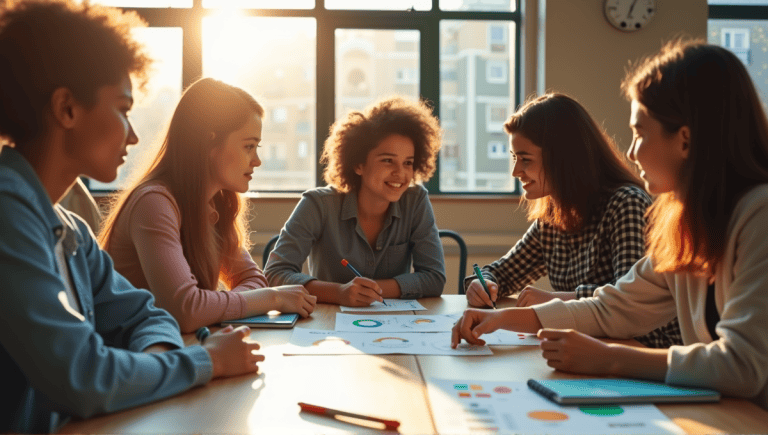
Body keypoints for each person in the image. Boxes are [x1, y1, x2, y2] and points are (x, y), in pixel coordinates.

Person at [452, 39, 768, 410]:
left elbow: (742, 366)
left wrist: (609, 358)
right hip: (727, 411)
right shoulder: (685, 221)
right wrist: (502, 318)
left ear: (684, 139)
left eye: (639, 133)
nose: (632, 152)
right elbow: (614, 306)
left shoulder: (758, 214)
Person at [0, 2, 262, 432]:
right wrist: (204, 360)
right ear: (67, 109)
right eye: (123, 109)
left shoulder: (72, 231)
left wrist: (158, 362)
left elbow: (147, 315)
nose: (134, 134)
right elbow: (82, 378)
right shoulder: (8, 215)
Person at [98, 77, 317, 333]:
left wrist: (218, 304)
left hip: (174, 348)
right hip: (133, 359)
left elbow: (254, 279)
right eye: (248, 146)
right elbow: (186, 309)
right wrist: (274, 298)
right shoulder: (154, 203)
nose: (257, 160)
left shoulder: (216, 205)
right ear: (209, 143)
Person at [464, 93, 680, 348]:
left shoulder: (625, 204)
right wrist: (483, 282)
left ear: (562, 158)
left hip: (647, 350)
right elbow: (502, 272)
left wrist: (556, 300)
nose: (515, 171)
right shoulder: (553, 217)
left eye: (525, 159)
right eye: (514, 158)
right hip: (592, 345)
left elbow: (628, 303)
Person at [264, 96, 446, 306]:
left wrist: (372, 290)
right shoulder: (317, 204)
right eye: (388, 160)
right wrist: (339, 293)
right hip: (328, 324)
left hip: (393, 326)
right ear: (358, 164)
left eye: (408, 163)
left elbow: (434, 278)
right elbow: (275, 274)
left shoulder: (416, 201)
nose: (400, 173)